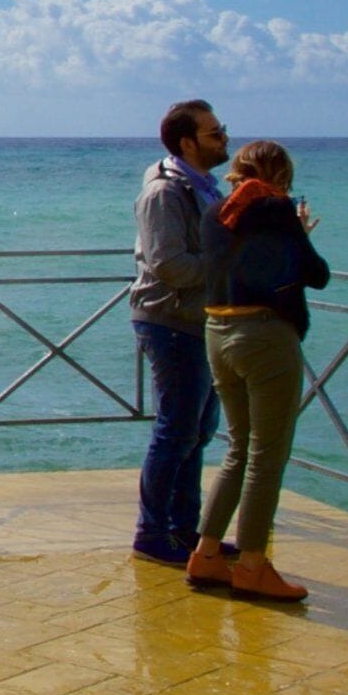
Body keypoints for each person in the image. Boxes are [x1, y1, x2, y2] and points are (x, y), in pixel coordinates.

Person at [191, 139, 331, 603]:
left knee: (238, 450)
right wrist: (302, 232)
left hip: (218, 331)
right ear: (279, 173)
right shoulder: (276, 208)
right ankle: (252, 565)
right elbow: (315, 274)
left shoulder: (214, 212)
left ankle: (206, 553)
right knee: (267, 455)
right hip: (265, 335)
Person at [128, 98, 228, 569]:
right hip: (171, 320)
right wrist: (231, 263)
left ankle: (184, 530)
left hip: (202, 319)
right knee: (176, 430)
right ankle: (151, 533)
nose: (224, 138)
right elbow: (168, 264)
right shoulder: (165, 194)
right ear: (187, 142)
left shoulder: (204, 187)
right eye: (214, 133)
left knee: (198, 431)